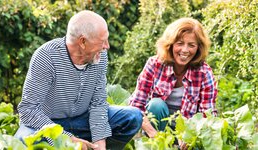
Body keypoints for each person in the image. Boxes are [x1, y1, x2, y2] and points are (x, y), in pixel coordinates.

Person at [14, 10, 142, 150]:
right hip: (48, 124)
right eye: (102, 41)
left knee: (132, 117)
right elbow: (28, 109)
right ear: (82, 41)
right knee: (24, 141)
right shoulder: (47, 56)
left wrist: (100, 142)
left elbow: (98, 103)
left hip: (83, 121)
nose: (107, 46)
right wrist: (67, 138)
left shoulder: (100, 55)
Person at [129, 18, 218, 149]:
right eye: (180, 43)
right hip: (157, 127)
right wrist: (153, 134)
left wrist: (190, 135)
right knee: (156, 104)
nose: (185, 50)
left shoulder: (204, 73)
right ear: (170, 44)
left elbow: (207, 114)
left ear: (198, 48)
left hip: (186, 130)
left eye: (191, 45)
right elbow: (136, 105)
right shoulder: (154, 64)